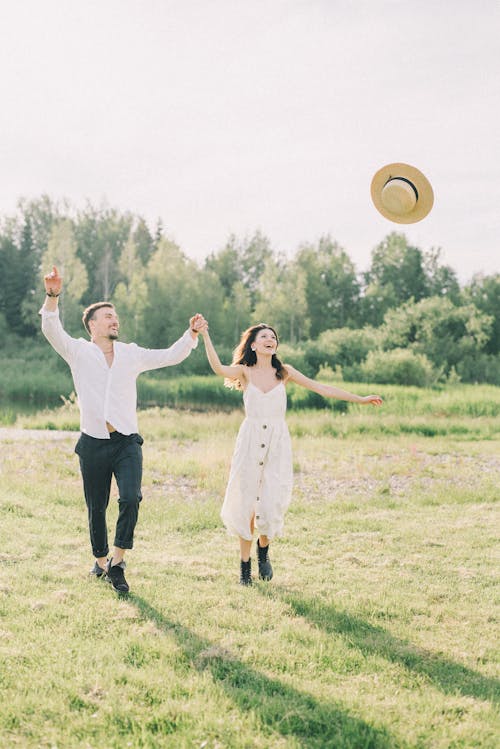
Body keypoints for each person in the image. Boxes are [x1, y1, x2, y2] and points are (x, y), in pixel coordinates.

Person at [40, 265, 206, 594]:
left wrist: (192, 335)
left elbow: (171, 355)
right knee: (96, 506)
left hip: (127, 441)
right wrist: (53, 295)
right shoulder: (77, 351)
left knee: (131, 498)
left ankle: (118, 561)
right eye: (107, 317)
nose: (114, 320)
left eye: (116, 316)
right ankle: (100, 560)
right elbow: (51, 328)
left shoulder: (131, 354)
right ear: (92, 326)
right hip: (92, 443)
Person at [199, 322, 382, 586]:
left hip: (276, 444)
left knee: (270, 502)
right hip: (250, 442)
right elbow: (218, 368)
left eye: (273, 337)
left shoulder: (284, 372)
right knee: (246, 503)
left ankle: (263, 551)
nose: (270, 339)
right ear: (253, 344)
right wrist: (205, 334)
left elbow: (324, 389)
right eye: (264, 336)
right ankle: (244, 568)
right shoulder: (244, 371)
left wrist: (361, 398)